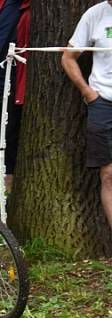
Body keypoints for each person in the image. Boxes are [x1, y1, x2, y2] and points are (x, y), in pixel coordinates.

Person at [62, 1, 112, 229]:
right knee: (109, 175)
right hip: (103, 104)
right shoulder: (95, 14)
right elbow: (68, 57)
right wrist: (88, 92)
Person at [0, 0, 31, 191]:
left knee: (10, 133)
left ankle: (11, 192)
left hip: (16, 79)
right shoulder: (1, 2)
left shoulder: (29, 6)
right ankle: (5, 188)